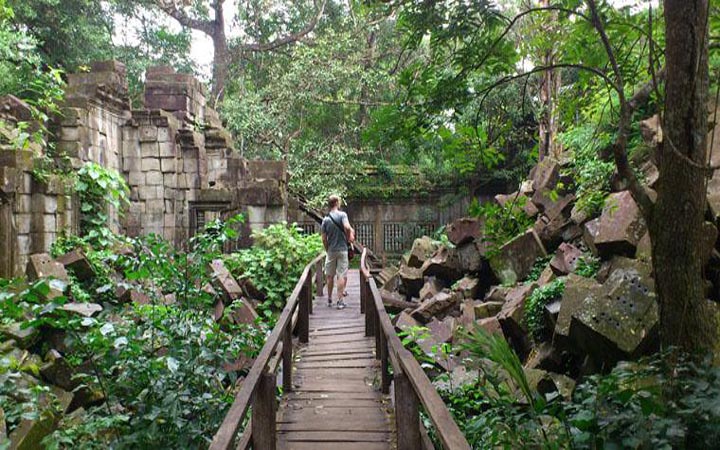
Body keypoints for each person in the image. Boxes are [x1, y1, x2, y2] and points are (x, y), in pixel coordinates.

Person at [321, 194, 355, 309]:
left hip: (331, 250)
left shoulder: (325, 219)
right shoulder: (342, 215)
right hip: (342, 250)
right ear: (337, 203)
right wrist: (350, 235)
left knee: (330, 276)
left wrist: (327, 250)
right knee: (341, 275)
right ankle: (340, 301)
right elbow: (346, 226)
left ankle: (329, 299)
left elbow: (324, 239)